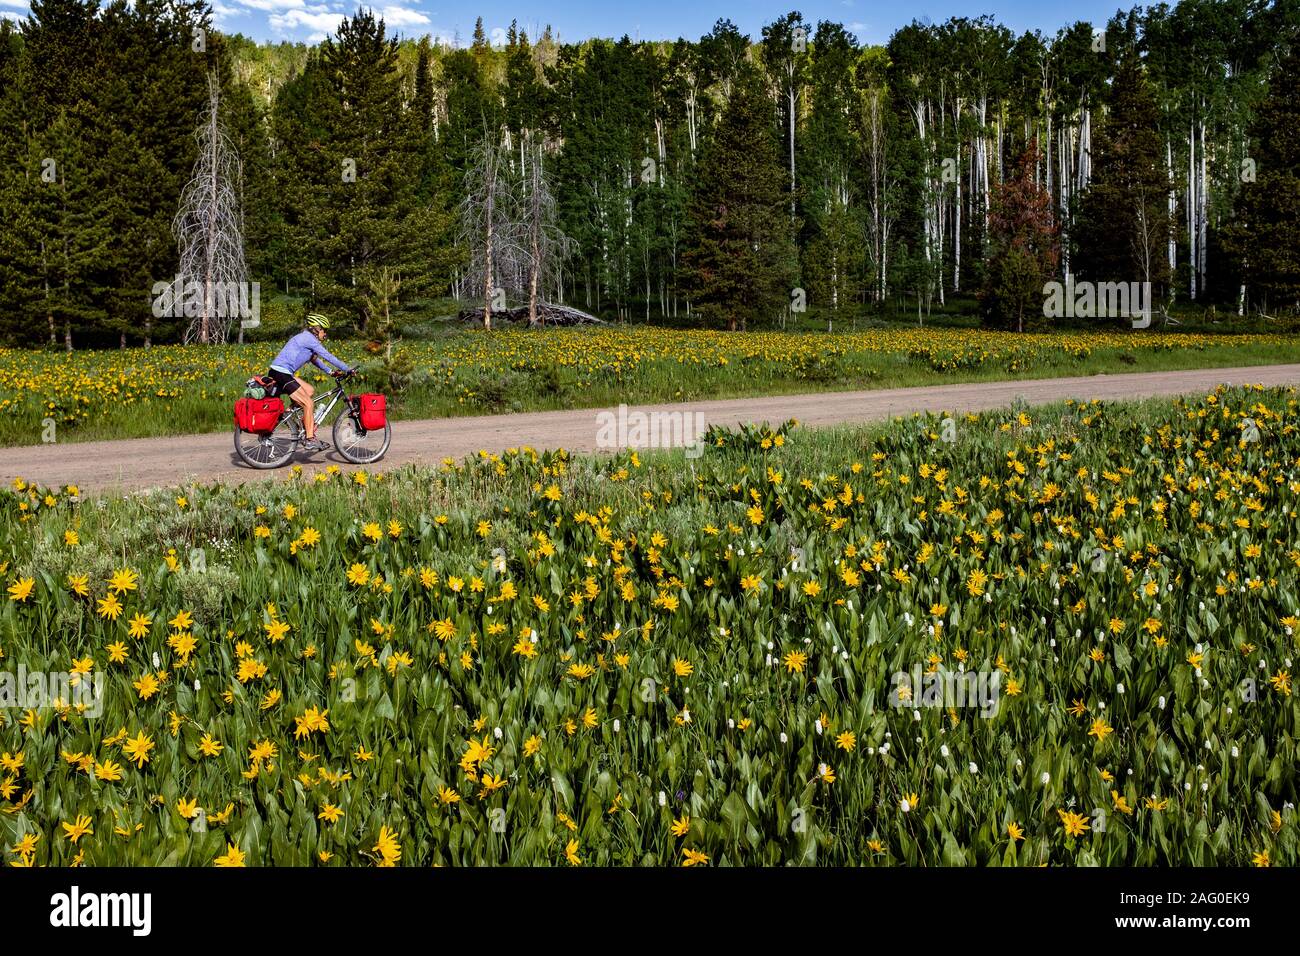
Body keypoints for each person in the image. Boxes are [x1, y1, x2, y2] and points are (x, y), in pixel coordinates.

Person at [267, 314, 353, 451]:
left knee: (309, 391)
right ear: (316, 329)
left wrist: (330, 372)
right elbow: (328, 356)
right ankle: (309, 439)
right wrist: (347, 369)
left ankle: (288, 415)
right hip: (281, 373)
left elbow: (314, 359)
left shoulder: (307, 338)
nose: (325, 333)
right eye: (324, 330)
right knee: (308, 403)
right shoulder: (309, 339)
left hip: (283, 372)